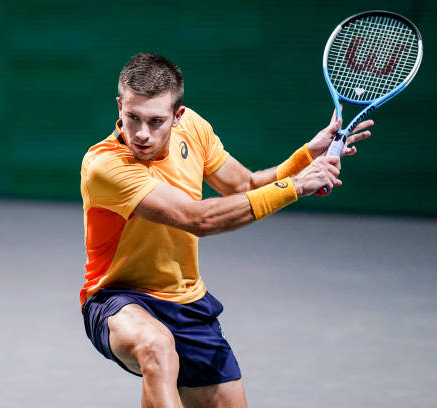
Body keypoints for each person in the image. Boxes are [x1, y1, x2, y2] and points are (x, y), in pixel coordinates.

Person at [79, 53, 372, 408]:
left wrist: (306, 157)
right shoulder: (105, 166)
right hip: (117, 299)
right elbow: (197, 218)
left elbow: (244, 184)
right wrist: (296, 186)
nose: (141, 133)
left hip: (187, 301)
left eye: (156, 121)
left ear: (178, 116)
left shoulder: (195, 130)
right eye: (132, 118)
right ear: (120, 106)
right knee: (155, 346)